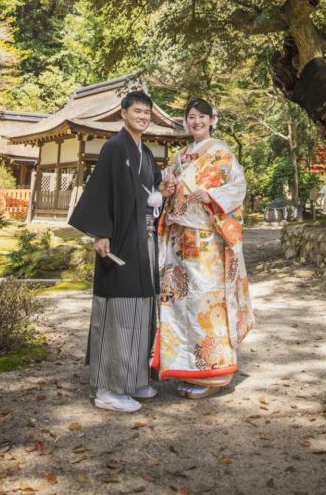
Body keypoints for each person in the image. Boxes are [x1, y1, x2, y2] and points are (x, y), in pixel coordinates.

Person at [68, 89, 163, 414]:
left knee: (143, 308)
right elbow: (100, 190)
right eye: (137, 111)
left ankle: (134, 378)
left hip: (144, 241)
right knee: (119, 311)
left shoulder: (145, 152)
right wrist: (101, 232)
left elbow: (155, 189)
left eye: (147, 113)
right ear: (123, 113)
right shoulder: (113, 147)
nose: (143, 117)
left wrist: (161, 193)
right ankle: (108, 387)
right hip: (119, 241)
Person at [153, 97, 254, 399]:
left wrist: (211, 196)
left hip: (207, 241)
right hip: (179, 240)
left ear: (212, 120)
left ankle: (214, 374)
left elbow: (238, 187)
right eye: (191, 117)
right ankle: (187, 368)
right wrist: (167, 189)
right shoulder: (180, 156)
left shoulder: (221, 151)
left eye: (202, 117)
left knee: (206, 304)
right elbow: (167, 189)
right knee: (179, 304)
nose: (196, 122)